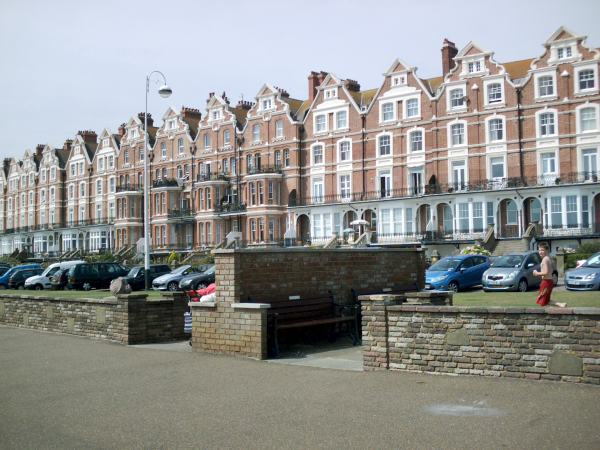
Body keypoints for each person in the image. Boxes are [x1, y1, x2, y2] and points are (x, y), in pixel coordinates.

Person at [533, 242, 566, 307]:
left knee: (541, 300)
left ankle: (546, 314)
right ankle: (560, 304)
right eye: (539, 250)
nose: (540, 252)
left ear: (547, 250)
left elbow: (546, 272)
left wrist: (537, 273)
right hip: (549, 282)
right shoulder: (548, 258)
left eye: (542, 250)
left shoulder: (545, 259)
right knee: (545, 301)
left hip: (546, 282)